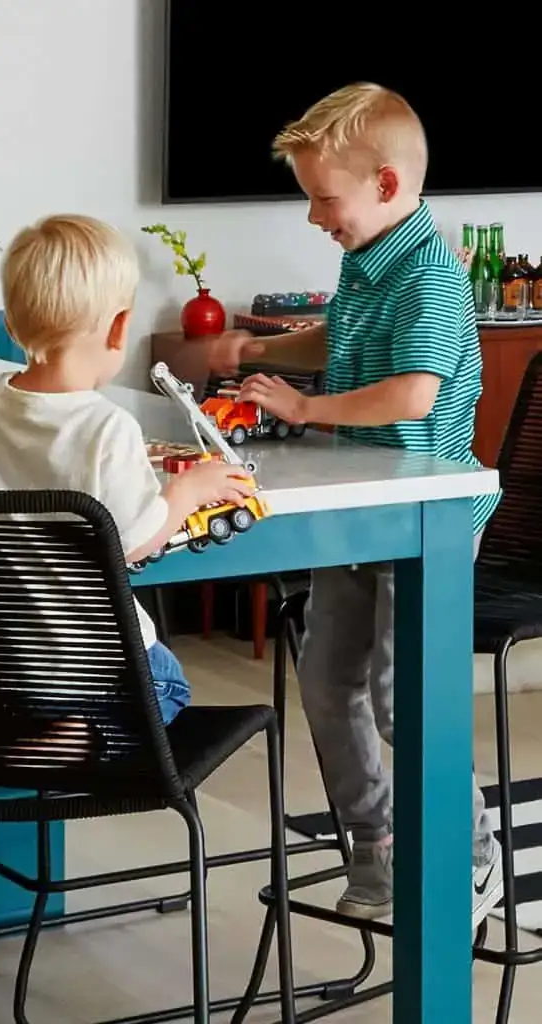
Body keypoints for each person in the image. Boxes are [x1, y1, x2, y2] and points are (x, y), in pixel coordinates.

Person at [207, 82, 503, 928]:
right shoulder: (367, 260)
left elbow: (409, 395)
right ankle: (373, 854)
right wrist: (261, 347)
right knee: (329, 680)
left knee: (395, 696)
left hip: (425, 520)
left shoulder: (433, 279)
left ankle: (465, 857)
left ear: (383, 184)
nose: (312, 219)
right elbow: (338, 338)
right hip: (359, 508)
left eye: (321, 200)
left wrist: (301, 408)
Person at [0, 213, 255, 727]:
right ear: (121, 327)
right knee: (170, 687)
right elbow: (133, 540)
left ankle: (50, 732)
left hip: (12, 663)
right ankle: (76, 738)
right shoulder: (107, 426)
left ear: (10, 325)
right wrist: (186, 491)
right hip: (100, 666)